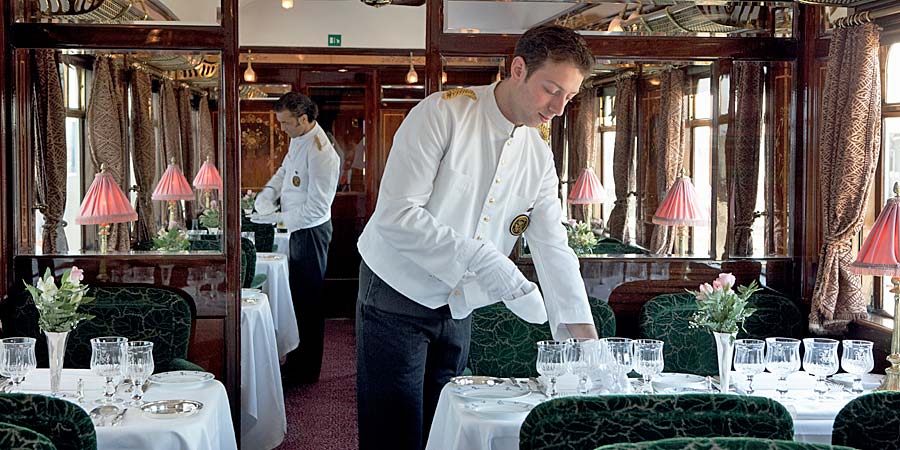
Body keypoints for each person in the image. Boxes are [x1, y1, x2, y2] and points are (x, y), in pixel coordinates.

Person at [355, 24, 599, 450]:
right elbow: (396, 215)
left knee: (448, 426)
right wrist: (484, 259)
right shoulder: (442, 114)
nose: (559, 108)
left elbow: (552, 247)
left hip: (460, 305)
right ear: (518, 69)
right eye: (551, 90)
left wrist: (584, 338)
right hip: (396, 290)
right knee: (393, 429)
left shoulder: (539, 155)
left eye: (570, 97)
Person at [251, 92, 340, 384]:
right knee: (297, 300)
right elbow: (285, 171)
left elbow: (317, 208)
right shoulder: (299, 138)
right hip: (296, 229)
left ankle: (307, 370)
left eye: (285, 123)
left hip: (311, 232)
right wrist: (267, 194)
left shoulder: (322, 153)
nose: (282, 128)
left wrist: (277, 219)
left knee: (309, 302)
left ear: (303, 119)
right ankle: (296, 362)